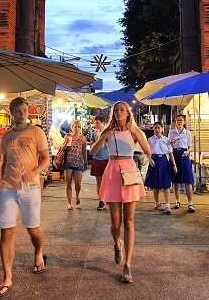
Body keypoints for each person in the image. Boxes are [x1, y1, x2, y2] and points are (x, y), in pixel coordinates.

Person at [0, 97, 50, 297]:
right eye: (18, 111)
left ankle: (38, 251)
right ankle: (7, 277)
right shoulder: (6, 137)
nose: (22, 113)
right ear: (12, 113)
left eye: (24, 110)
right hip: (8, 187)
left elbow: (45, 158)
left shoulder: (36, 132)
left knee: (33, 229)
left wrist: (34, 173)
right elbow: (5, 161)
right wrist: (0, 179)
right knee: (6, 231)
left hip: (30, 187)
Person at [90, 101, 151, 284]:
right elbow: (93, 151)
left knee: (129, 221)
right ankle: (117, 243)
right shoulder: (108, 131)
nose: (118, 112)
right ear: (113, 113)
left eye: (122, 110)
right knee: (115, 223)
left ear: (127, 113)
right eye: (116, 110)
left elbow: (148, 150)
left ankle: (128, 265)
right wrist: (103, 138)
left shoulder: (133, 130)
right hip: (112, 172)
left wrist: (142, 145)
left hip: (129, 172)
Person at [145, 122, 177, 215]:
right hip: (154, 160)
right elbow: (147, 151)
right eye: (155, 128)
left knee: (166, 184)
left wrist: (174, 165)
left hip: (164, 161)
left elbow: (170, 153)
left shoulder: (166, 140)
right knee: (155, 185)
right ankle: (156, 203)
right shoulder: (150, 139)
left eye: (158, 128)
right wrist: (149, 159)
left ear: (162, 129)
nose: (157, 130)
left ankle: (167, 205)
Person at [169, 114, 195, 213]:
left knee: (187, 180)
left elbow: (190, 146)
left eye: (181, 120)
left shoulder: (187, 133)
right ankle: (177, 201)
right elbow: (168, 145)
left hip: (184, 155)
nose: (179, 122)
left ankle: (190, 203)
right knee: (175, 180)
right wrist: (172, 142)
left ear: (184, 122)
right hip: (174, 155)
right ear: (175, 122)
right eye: (177, 120)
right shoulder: (171, 132)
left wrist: (188, 152)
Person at [61, 120, 87, 210]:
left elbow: (84, 151)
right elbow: (62, 148)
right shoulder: (68, 136)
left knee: (78, 184)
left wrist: (85, 162)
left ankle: (77, 197)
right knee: (68, 183)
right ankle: (69, 203)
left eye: (79, 127)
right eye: (75, 126)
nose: (77, 128)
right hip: (68, 162)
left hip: (79, 162)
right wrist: (65, 143)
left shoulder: (83, 138)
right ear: (71, 128)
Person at [89, 115, 109, 210]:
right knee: (99, 182)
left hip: (107, 159)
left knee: (108, 181)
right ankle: (101, 200)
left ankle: (108, 198)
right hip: (97, 158)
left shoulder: (107, 133)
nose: (95, 124)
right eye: (95, 122)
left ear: (103, 123)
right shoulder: (94, 133)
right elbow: (92, 145)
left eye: (97, 122)